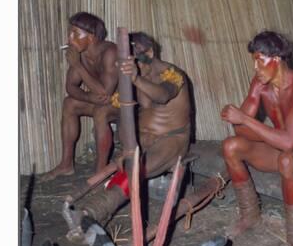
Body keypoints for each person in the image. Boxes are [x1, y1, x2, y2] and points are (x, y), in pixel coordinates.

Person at [220, 31, 293, 246]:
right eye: (254, 61)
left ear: (276, 59)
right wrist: (273, 133)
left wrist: (247, 120)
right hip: (282, 149)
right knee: (231, 146)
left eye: (260, 60)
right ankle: (250, 215)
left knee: (287, 158)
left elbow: (286, 142)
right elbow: (240, 131)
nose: (256, 67)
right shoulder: (261, 84)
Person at [76, 31, 192, 224]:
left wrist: (136, 79)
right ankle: (100, 208)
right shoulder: (130, 74)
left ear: (150, 54)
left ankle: (97, 210)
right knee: (122, 158)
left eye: (137, 63)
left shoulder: (173, 75)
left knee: (135, 169)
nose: (133, 69)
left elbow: (163, 96)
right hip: (142, 139)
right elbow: (122, 104)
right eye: (128, 66)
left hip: (171, 139)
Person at [42, 12, 119, 180]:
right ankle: (66, 164)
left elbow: (106, 92)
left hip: (122, 104)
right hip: (100, 100)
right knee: (69, 103)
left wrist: (76, 64)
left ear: (91, 37)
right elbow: (70, 86)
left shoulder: (110, 51)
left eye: (75, 34)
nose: (70, 38)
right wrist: (89, 97)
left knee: (101, 112)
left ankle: (100, 171)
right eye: (69, 33)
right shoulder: (81, 54)